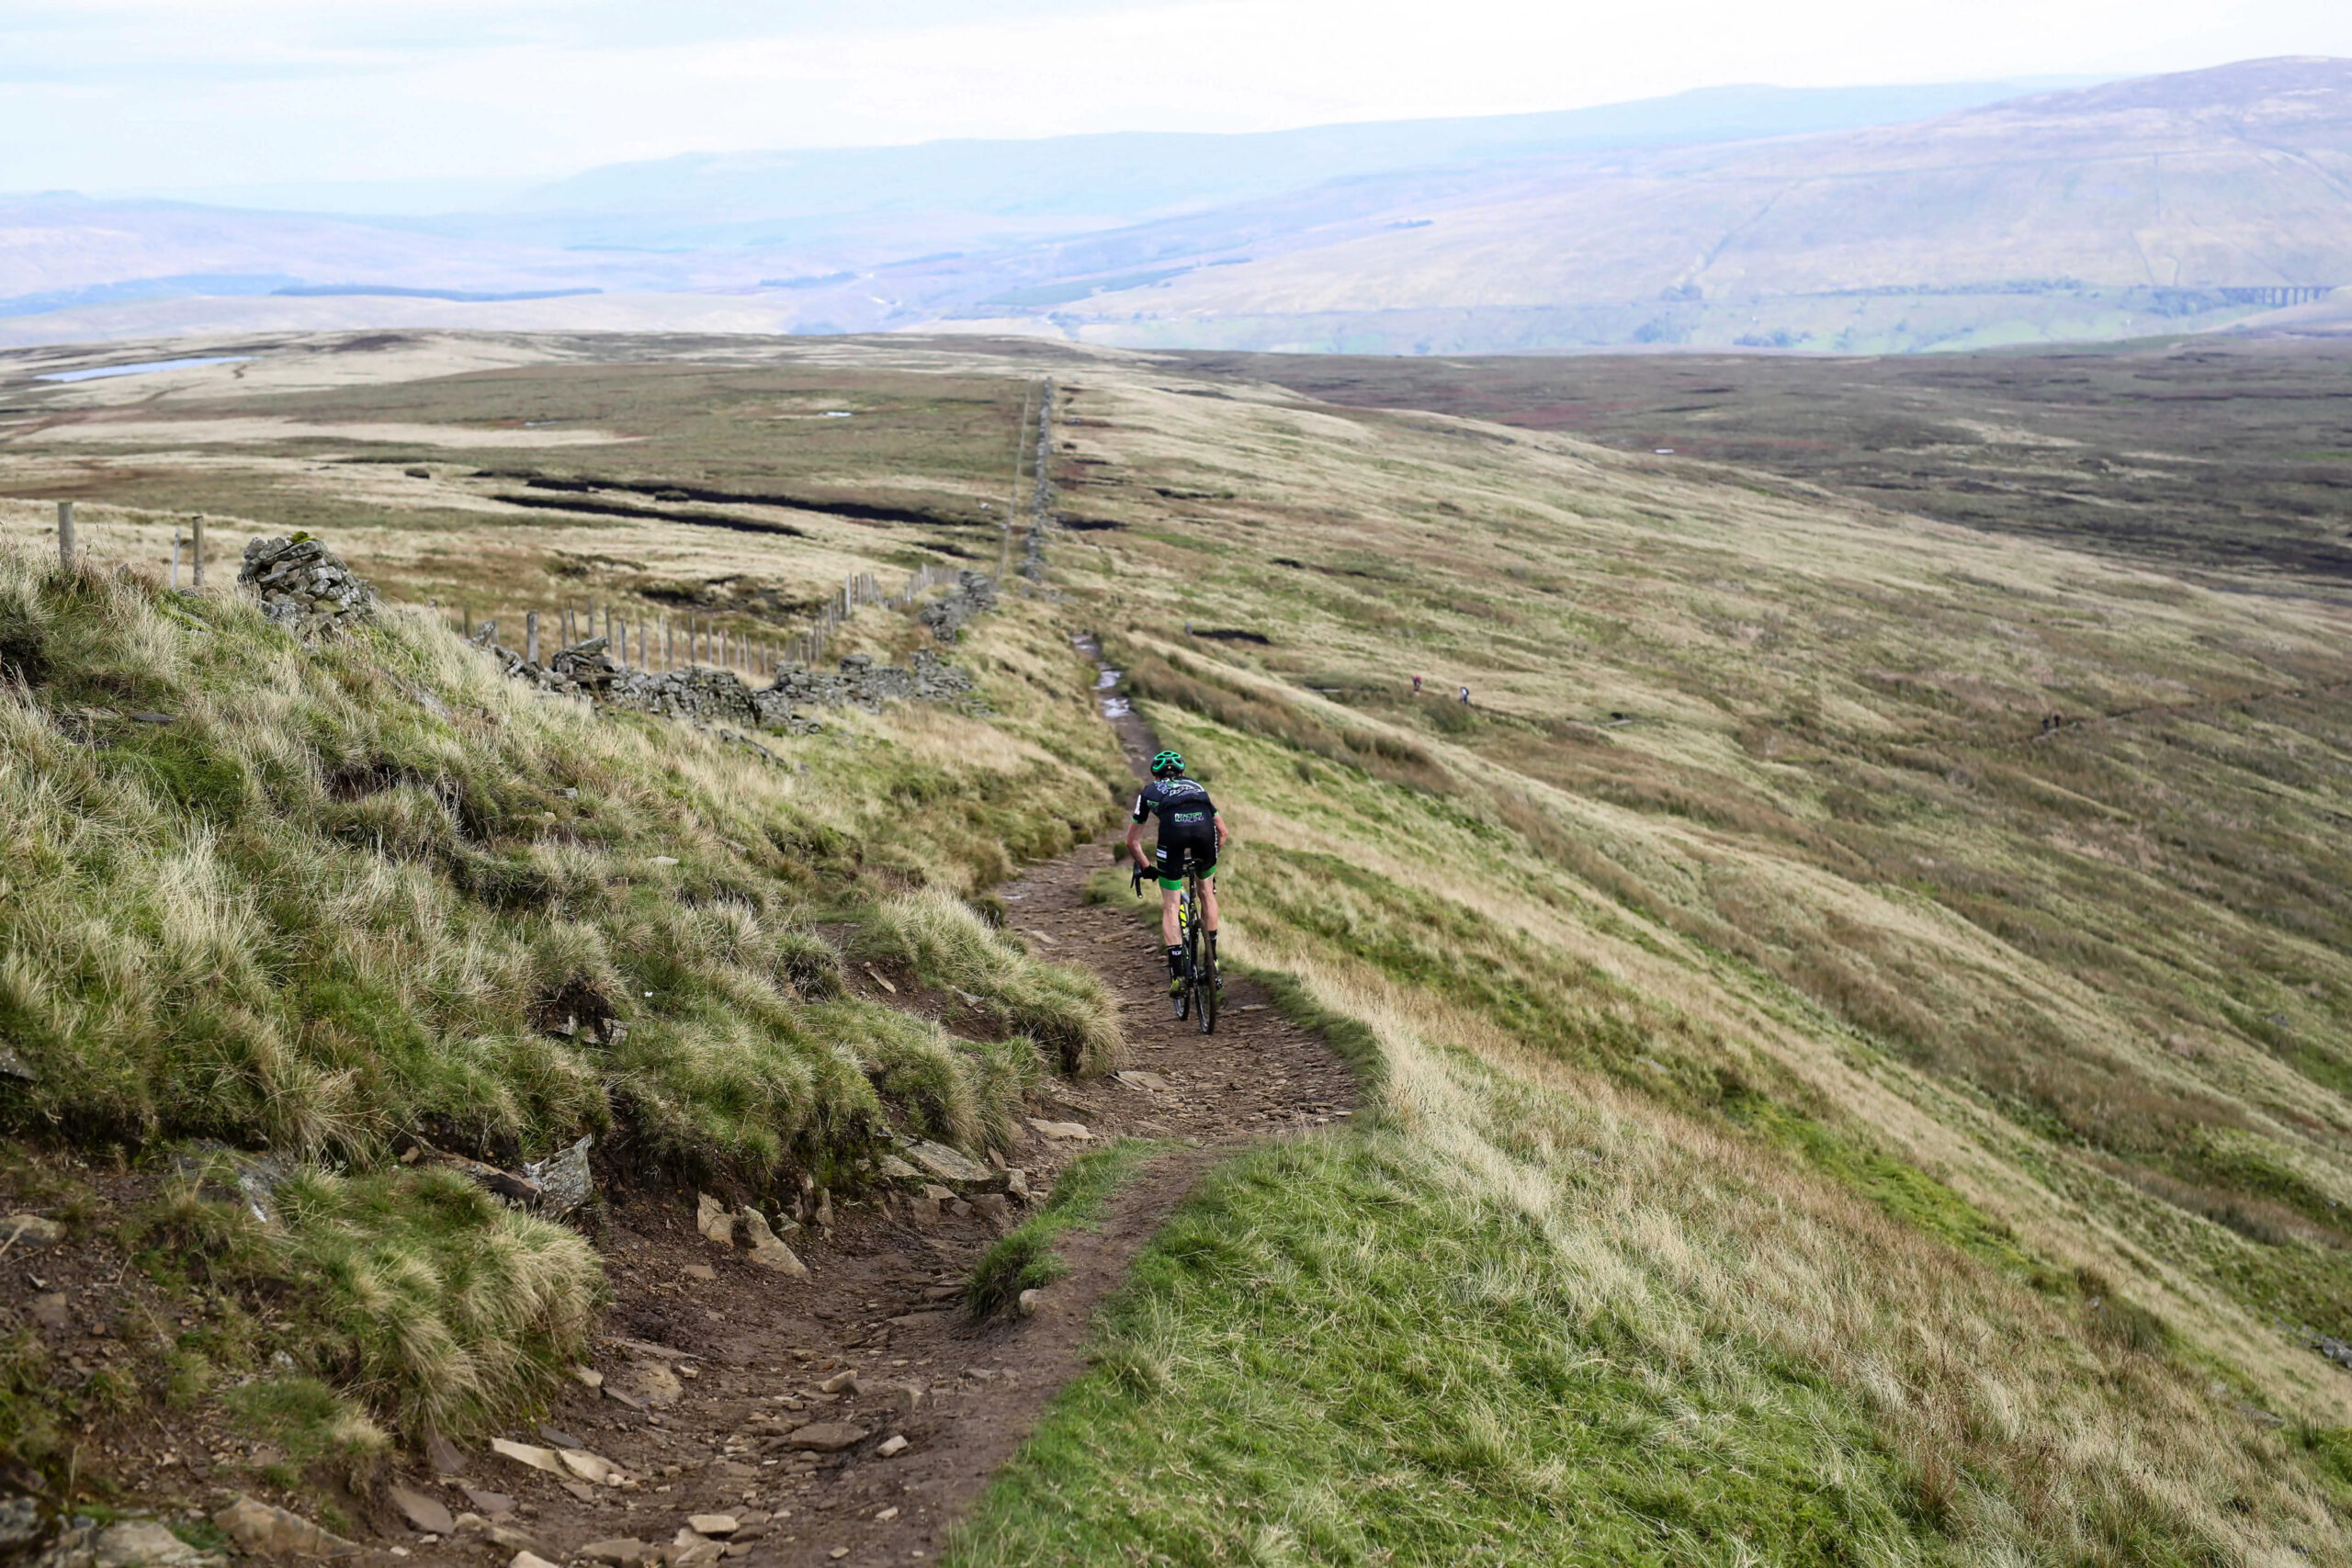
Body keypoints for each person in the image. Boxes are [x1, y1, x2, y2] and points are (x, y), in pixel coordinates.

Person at [1125, 750, 1227, 996]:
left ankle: (1179, 975)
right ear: (1182, 772)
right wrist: (1210, 863)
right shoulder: (1196, 786)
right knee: (1207, 894)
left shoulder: (1149, 791)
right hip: (1205, 834)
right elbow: (1222, 832)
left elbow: (1132, 842)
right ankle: (1212, 962)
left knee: (1171, 906)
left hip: (1172, 834)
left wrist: (1148, 868)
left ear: (1155, 775)